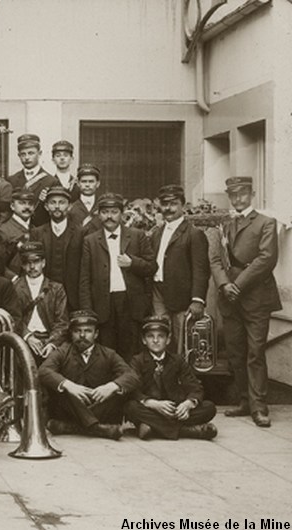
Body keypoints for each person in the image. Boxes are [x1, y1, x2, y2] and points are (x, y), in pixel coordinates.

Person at [211, 176, 281, 428]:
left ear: (252, 194)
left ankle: (259, 406)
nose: (238, 199)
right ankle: (243, 401)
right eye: (233, 195)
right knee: (236, 352)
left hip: (256, 297)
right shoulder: (226, 225)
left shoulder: (266, 223)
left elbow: (266, 259)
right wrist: (223, 285)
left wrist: (237, 285)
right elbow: (217, 260)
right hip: (230, 297)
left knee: (255, 352)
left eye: (242, 194)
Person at [79, 192, 157, 362]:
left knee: (131, 352)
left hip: (130, 303)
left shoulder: (137, 236)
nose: (109, 216)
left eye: (114, 212)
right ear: (99, 215)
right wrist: (88, 310)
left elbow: (152, 267)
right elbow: (84, 279)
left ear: (122, 214)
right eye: (105, 212)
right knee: (106, 352)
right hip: (103, 304)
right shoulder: (90, 241)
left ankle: (130, 387)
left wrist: (133, 263)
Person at [39, 309, 140, 440]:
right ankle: (98, 429)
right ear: (71, 333)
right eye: (77, 331)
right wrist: (69, 385)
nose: (82, 335)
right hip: (71, 409)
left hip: (99, 408)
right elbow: (43, 371)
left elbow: (132, 376)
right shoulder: (63, 351)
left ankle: (70, 427)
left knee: (121, 392)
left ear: (96, 334)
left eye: (87, 331)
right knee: (62, 391)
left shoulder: (108, 354)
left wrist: (111, 386)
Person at [124, 316, 217, 440]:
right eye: (150, 336)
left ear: (168, 340)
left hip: (174, 409)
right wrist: (152, 403)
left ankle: (152, 427)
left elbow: (195, 386)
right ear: (144, 340)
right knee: (130, 407)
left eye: (161, 336)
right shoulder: (137, 361)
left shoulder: (177, 360)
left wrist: (188, 404)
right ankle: (186, 431)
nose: (155, 340)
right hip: (151, 408)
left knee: (209, 408)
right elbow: (133, 390)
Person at [150, 184, 209, 355]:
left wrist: (198, 299)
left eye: (173, 203)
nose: (168, 208)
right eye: (165, 204)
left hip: (182, 296)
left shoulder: (193, 233)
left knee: (182, 343)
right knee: (160, 338)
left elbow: (201, 269)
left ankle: (181, 380)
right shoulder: (157, 232)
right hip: (158, 293)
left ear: (183, 205)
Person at [29, 185, 84, 310]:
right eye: (53, 203)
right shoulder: (37, 233)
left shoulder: (80, 232)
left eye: (62, 203)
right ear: (46, 206)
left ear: (69, 206)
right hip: (45, 295)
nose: (57, 207)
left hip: (73, 296)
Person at [12, 241, 69, 363]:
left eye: (36, 262)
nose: (32, 267)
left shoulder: (56, 288)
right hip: (24, 340)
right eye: (27, 263)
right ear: (22, 265)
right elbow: (13, 318)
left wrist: (52, 344)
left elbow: (62, 322)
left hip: (49, 339)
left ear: (43, 263)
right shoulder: (14, 288)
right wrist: (28, 337)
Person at [6, 134, 59, 227]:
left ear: (39, 154)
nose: (26, 157)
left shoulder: (51, 181)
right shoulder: (11, 180)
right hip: (16, 232)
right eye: (23, 154)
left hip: (41, 231)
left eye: (31, 153)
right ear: (19, 156)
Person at [0, 189, 36, 276]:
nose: (27, 207)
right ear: (12, 206)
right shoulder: (3, 231)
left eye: (30, 204)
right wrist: (14, 279)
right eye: (22, 203)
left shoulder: (35, 229)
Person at [67, 163, 102, 232]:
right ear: (78, 183)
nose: (87, 185)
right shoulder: (71, 209)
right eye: (84, 181)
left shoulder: (103, 206)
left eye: (91, 181)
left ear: (98, 184)